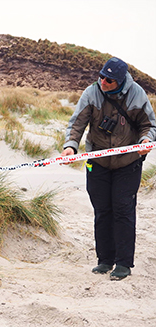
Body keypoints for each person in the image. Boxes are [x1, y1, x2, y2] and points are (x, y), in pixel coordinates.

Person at [61, 56, 156, 280]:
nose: (103, 82)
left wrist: (145, 142)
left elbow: (149, 125)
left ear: (121, 81)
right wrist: (70, 147)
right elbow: (77, 124)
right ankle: (105, 260)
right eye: (102, 77)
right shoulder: (91, 92)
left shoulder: (137, 94)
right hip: (98, 162)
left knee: (123, 210)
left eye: (110, 80)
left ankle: (123, 263)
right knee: (102, 211)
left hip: (128, 162)